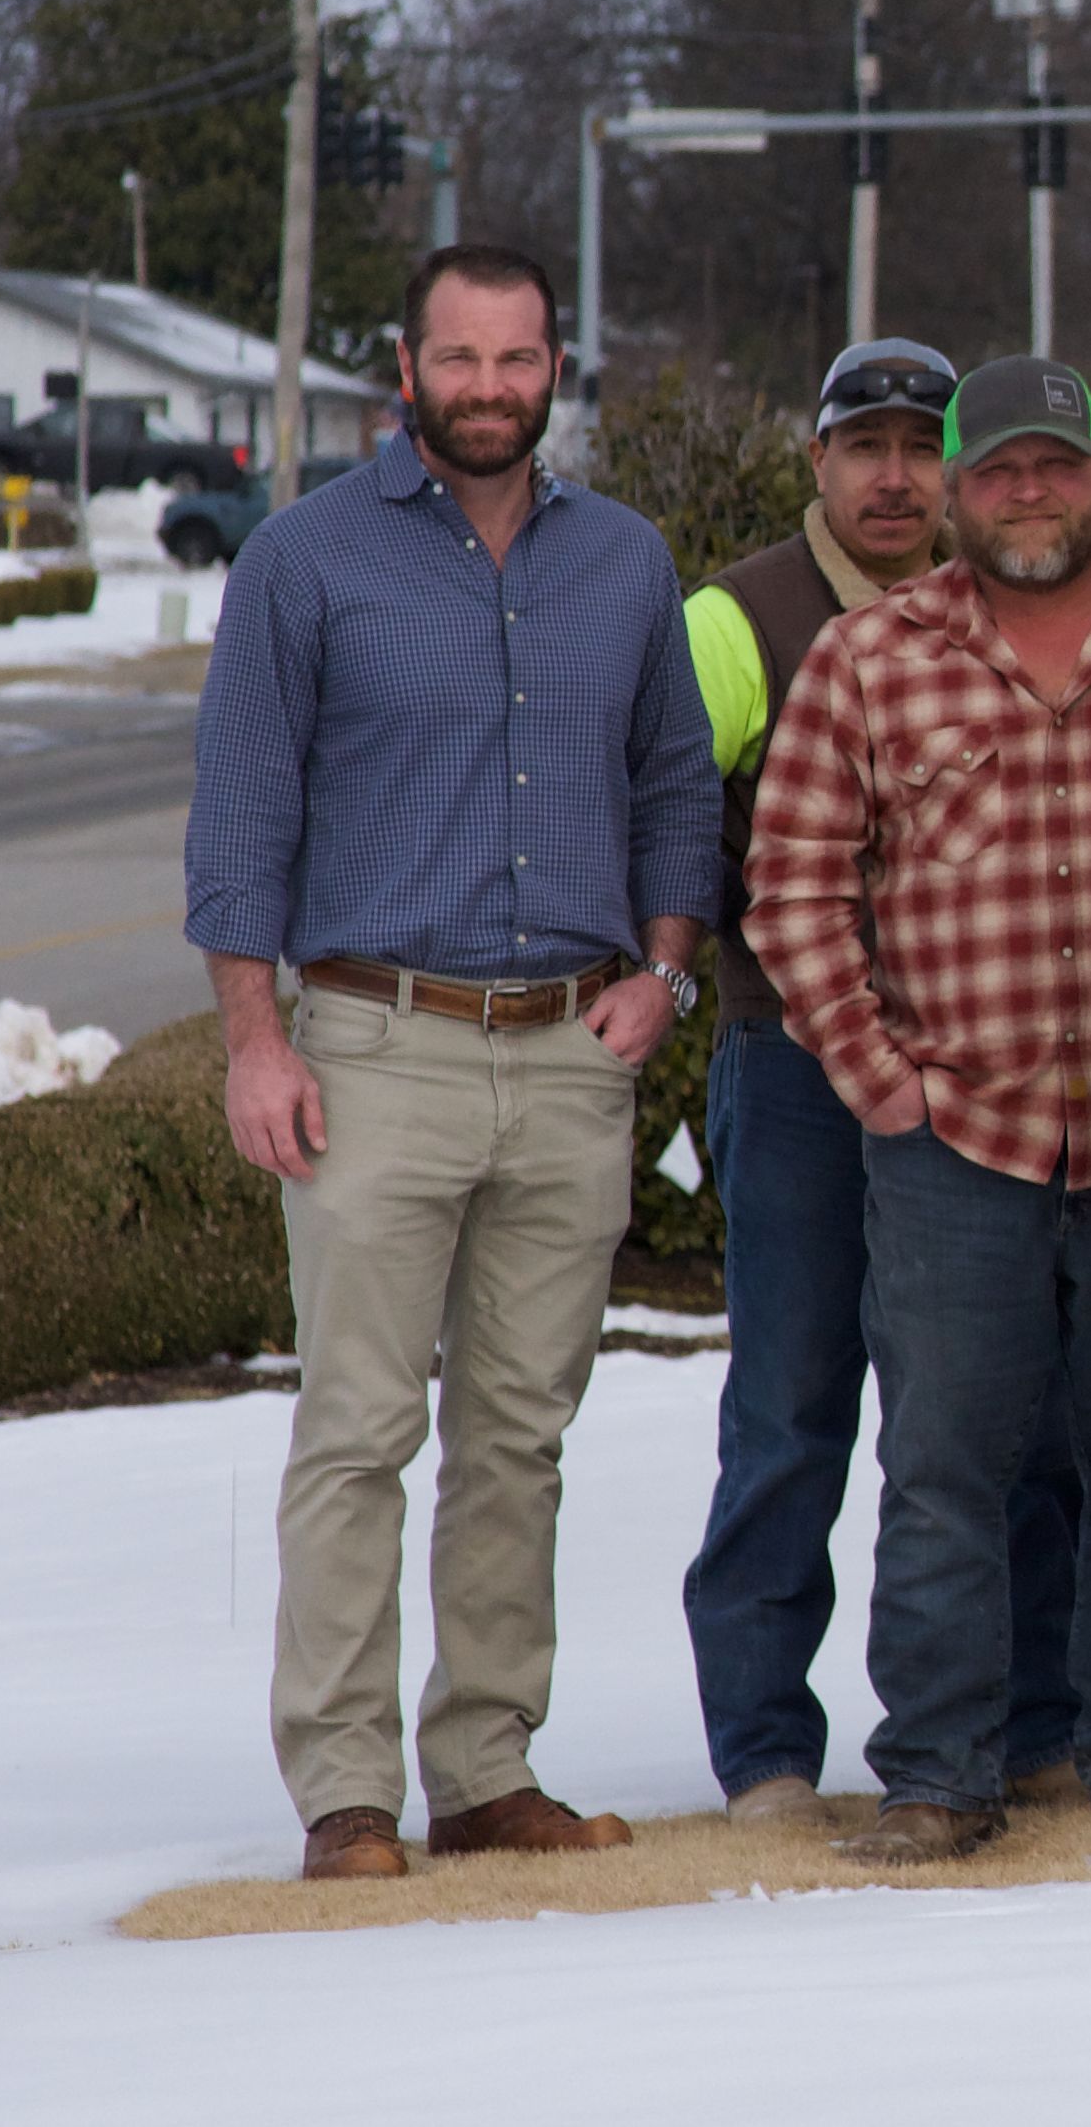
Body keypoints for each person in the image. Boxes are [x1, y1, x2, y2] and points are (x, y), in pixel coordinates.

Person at [185, 242, 718, 1881]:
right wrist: (254, 1040)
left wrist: (664, 974)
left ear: (558, 365)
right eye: (461, 359)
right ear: (404, 369)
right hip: (372, 1046)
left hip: (567, 1054)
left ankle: (486, 1768)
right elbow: (243, 810)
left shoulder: (623, 564)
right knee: (355, 1429)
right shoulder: (303, 561)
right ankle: (347, 1794)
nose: (492, 387)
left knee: (519, 1435)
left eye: (519, 358)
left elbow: (675, 786)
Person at [746, 355, 1091, 1858]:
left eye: (1057, 465)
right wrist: (880, 1080)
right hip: (958, 1137)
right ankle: (940, 1772)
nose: (1030, 493)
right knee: (944, 1467)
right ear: (956, 491)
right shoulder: (870, 658)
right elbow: (793, 889)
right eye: (1000, 469)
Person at [675, 338, 1089, 1828]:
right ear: (819, 463)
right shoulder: (742, 616)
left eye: (926, 449)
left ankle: (1032, 1722)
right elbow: (666, 808)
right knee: (792, 1408)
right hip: (796, 1070)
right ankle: (768, 1751)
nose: (897, 476)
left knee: (1003, 1415)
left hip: (983, 1081)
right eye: (870, 448)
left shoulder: (1008, 607)